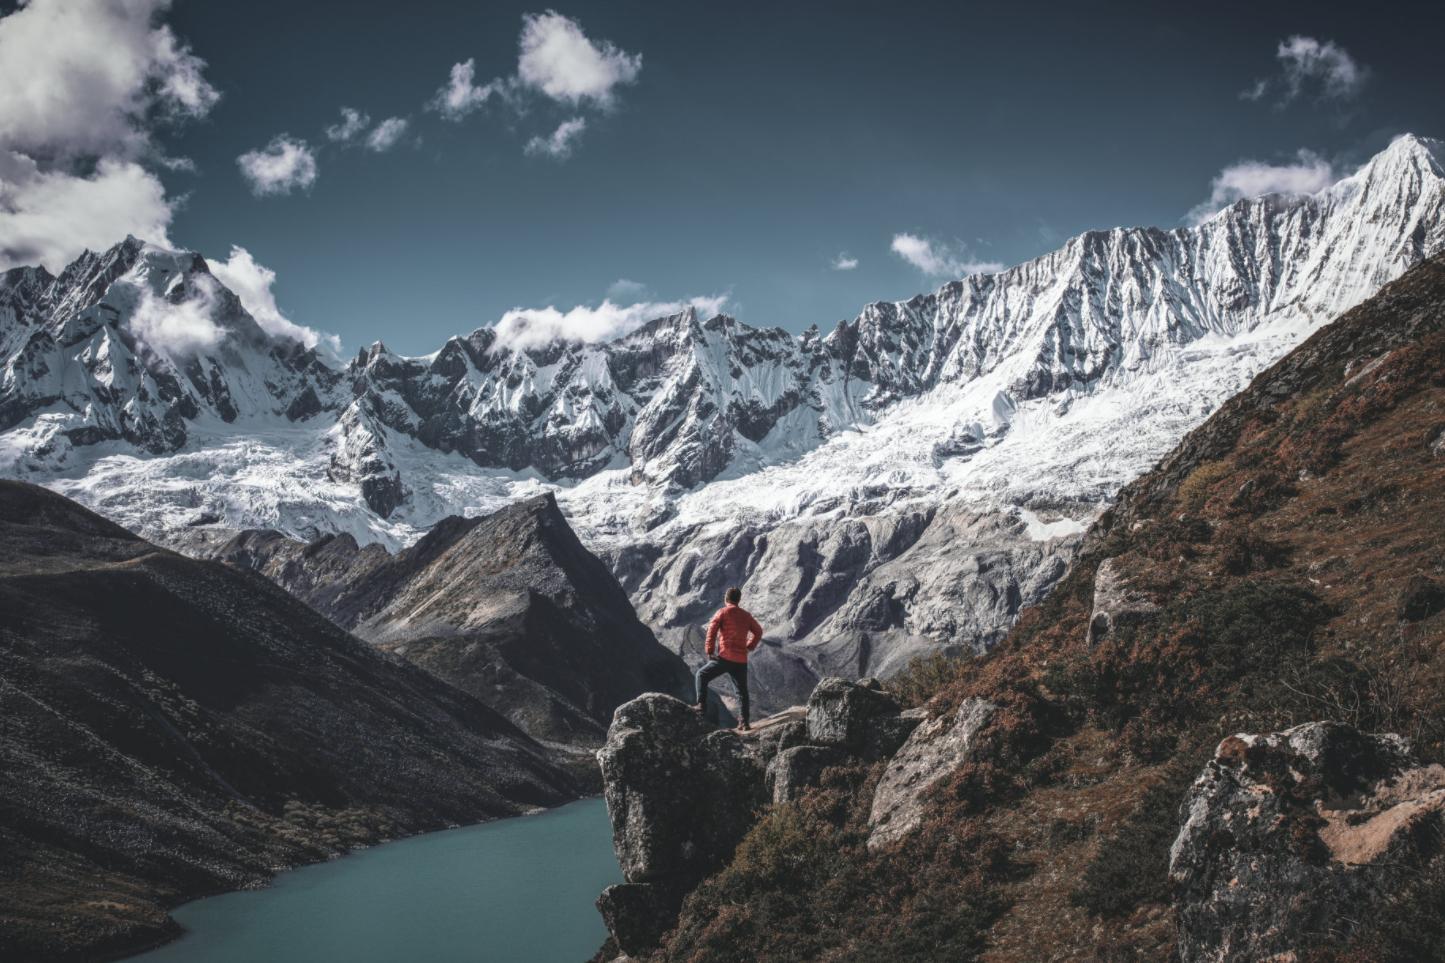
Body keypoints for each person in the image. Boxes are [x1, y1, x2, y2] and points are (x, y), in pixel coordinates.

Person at [694, 586, 763, 731]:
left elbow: (711, 631)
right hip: (741, 660)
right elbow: (758, 631)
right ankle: (744, 722)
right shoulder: (746, 615)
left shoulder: (722, 612)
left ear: (726, 599)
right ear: (738, 600)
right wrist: (749, 647)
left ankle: (701, 706)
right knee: (741, 692)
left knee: (701, 675)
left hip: (725, 657)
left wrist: (710, 651)